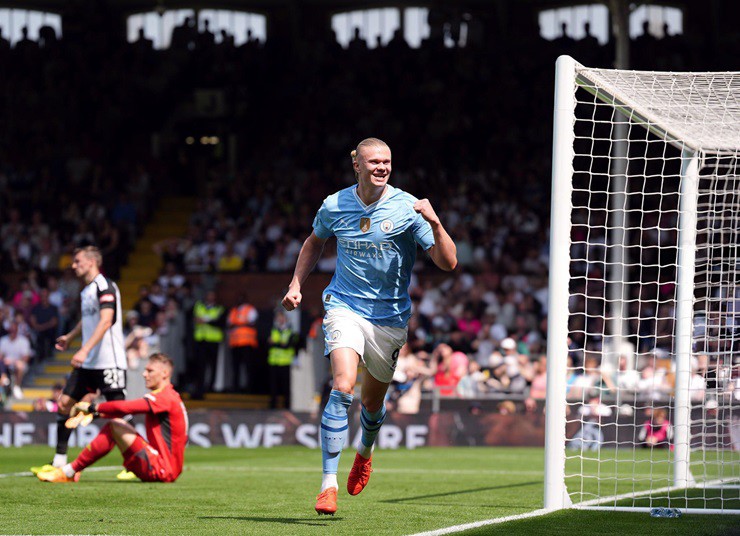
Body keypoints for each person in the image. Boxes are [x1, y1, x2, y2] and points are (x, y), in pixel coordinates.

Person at [282, 138, 457, 515]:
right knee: (342, 385)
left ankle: (365, 452)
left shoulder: (409, 207)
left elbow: (448, 263)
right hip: (344, 306)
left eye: (387, 161)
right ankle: (328, 483)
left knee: (372, 402)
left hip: (390, 319)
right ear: (356, 165)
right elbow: (314, 242)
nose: (381, 167)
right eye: (374, 161)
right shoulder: (334, 204)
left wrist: (436, 223)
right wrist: (297, 284)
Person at [31, 246, 128, 475]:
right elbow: (89, 320)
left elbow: (106, 321)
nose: (73, 266)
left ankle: (135, 462)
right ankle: (58, 461)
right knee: (65, 403)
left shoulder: (106, 286)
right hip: (89, 362)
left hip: (108, 360)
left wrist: (83, 350)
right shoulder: (87, 291)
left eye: (77, 261)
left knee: (119, 413)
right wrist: (70, 337)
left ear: (92, 262)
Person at [37, 353, 187, 483]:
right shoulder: (170, 396)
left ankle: (69, 471)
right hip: (166, 467)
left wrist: (93, 407)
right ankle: (72, 470)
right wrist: (96, 414)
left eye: (150, 370)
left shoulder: (165, 397)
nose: (144, 374)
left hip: (162, 469)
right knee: (117, 424)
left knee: (115, 425)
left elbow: (126, 408)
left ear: (165, 373)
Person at [227, 293, 259, 392]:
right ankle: (235, 388)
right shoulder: (234, 311)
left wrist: (238, 324)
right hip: (235, 343)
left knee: (248, 367)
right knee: (235, 368)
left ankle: (249, 388)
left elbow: (252, 322)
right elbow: (229, 323)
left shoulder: (250, 309)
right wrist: (241, 324)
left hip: (247, 343)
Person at [267, 310, 299, 408]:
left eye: (282, 317)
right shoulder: (273, 330)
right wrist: (280, 343)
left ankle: (287, 406)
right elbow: (269, 343)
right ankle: (272, 407)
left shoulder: (291, 332)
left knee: (286, 387)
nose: (280, 320)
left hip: (285, 362)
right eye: (278, 318)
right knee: (273, 387)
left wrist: (276, 343)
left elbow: (288, 345)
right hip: (274, 362)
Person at [0, 322, 32, 399]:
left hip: (18, 364)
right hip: (4, 365)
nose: (13, 332)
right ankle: (3, 382)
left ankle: (17, 386)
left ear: (17, 330)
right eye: (11, 330)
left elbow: (26, 358)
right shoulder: (3, 340)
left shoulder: (23, 341)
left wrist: (13, 361)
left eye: (14, 330)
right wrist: (5, 362)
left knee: (20, 365)